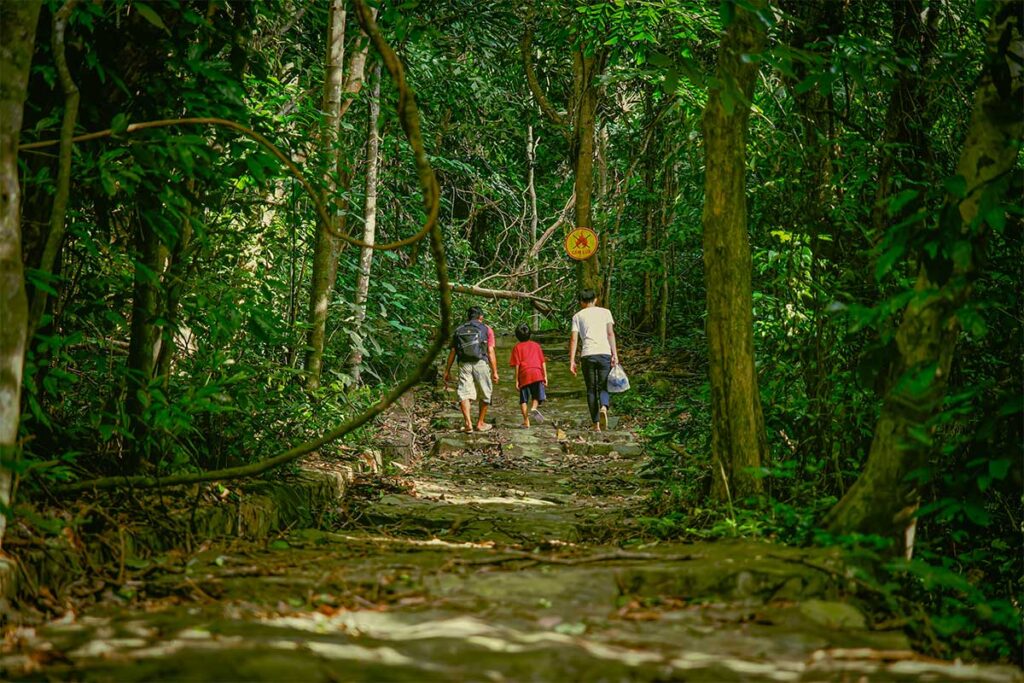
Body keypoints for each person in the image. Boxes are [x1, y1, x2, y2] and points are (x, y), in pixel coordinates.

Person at [443, 306, 499, 433]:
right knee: (485, 391)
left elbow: (453, 351)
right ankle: (480, 423)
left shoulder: (459, 329)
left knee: (464, 392)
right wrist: (495, 371)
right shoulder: (486, 329)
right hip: (481, 362)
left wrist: (447, 370)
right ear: (481, 317)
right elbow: (490, 351)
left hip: (464, 363)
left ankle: (468, 423)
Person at [569, 289, 618, 431]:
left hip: (587, 355)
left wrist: (572, 360)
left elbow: (574, 339)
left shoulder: (577, 316)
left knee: (591, 389)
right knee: (603, 386)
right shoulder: (605, 312)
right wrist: (614, 354)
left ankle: (595, 423)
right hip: (604, 353)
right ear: (595, 299)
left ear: (581, 302)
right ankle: (604, 406)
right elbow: (610, 333)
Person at [509, 323, 548, 429]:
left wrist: (517, 380)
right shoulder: (536, 346)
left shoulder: (517, 348)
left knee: (523, 400)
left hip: (524, 374)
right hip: (537, 373)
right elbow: (542, 362)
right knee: (537, 396)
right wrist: (545, 376)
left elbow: (517, 365)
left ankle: (526, 421)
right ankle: (534, 408)